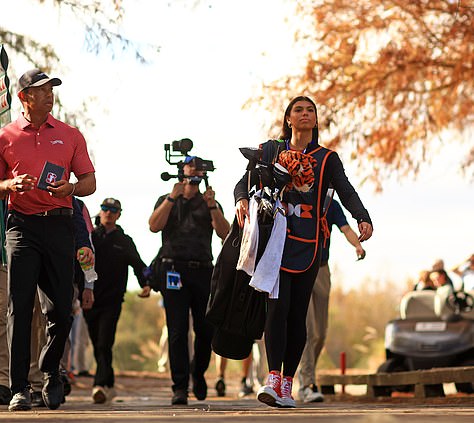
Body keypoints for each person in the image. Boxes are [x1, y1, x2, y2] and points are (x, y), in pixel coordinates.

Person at [233, 96, 373, 408]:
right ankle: (271, 378)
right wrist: (241, 198)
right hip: (276, 243)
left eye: (310, 110)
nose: (305, 114)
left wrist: (362, 216)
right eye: (299, 110)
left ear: (315, 120)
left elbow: (346, 190)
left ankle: (287, 384)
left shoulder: (327, 158)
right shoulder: (271, 150)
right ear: (288, 119)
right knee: (277, 310)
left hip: (311, 246)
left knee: (298, 317)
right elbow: (244, 181)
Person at [0, 68, 96, 411]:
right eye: (42, 89)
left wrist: (71, 188)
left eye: (51, 89)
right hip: (21, 228)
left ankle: (50, 372)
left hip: (59, 226)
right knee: (18, 307)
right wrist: (8, 186)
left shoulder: (70, 135)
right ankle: (19, 389)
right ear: (24, 97)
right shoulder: (3, 137)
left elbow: (89, 181)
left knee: (61, 309)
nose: (50, 94)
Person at [0, 196, 94, 406]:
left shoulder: (49, 176)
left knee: (40, 322)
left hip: (39, 262)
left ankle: (38, 383)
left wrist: (87, 278)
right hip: (4, 262)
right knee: (2, 320)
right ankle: (1, 383)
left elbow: (75, 216)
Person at [148, 155, 230, 405]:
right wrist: (173, 198)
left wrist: (212, 205)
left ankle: (198, 373)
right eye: (189, 165)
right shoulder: (167, 199)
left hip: (203, 269)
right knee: (177, 330)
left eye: (198, 167)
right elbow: (153, 226)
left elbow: (225, 233)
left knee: (206, 329)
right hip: (173, 269)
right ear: (181, 170)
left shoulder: (209, 201)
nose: (194, 170)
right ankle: (180, 386)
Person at [297, 198, 366, 403]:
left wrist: (358, 245)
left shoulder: (332, 205)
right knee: (308, 330)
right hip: (300, 268)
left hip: (322, 270)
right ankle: (306, 383)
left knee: (320, 333)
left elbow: (345, 228)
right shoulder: (300, 198)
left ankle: (306, 372)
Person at [85, 197, 151, 404]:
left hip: (113, 300)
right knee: (97, 343)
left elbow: (139, 265)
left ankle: (100, 385)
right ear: (100, 211)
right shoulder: (90, 238)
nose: (109, 213)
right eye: (105, 208)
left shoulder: (124, 241)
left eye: (113, 210)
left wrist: (146, 284)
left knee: (105, 342)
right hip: (89, 298)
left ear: (119, 214)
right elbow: (76, 263)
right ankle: (109, 382)